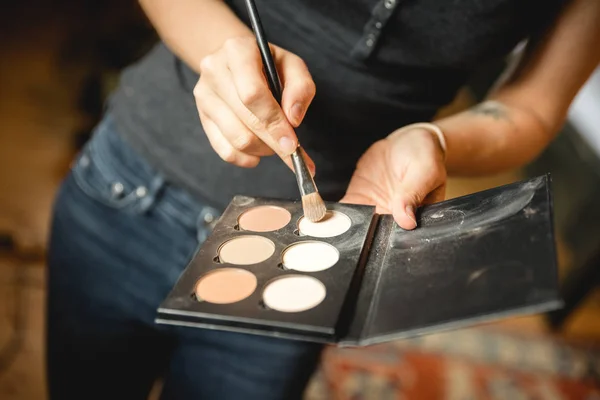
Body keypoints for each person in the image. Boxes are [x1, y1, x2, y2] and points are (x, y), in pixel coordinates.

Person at [45, 0, 600, 398]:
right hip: (131, 194)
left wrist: (433, 138)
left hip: (315, 265)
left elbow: (530, 107)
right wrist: (225, 50)